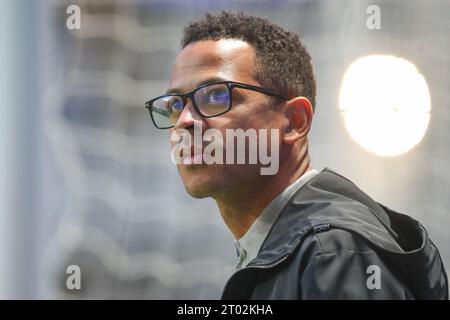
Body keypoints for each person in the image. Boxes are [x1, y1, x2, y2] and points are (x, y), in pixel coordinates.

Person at [145, 11, 448, 299]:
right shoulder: (293, 248)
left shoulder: (335, 251)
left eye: (215, 95)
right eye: (175, 104)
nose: (184, 121)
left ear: (295, 121)